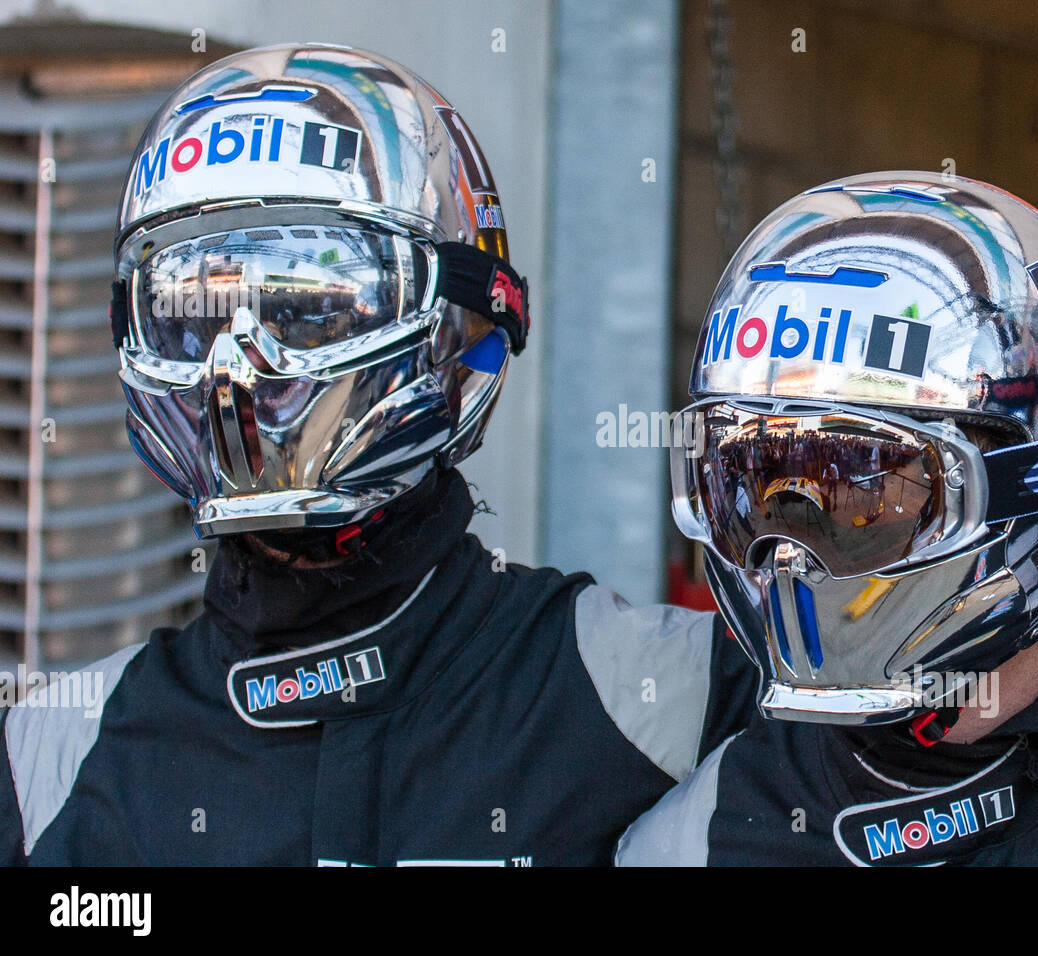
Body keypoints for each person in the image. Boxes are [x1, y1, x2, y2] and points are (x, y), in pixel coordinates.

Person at [0, 43, 755, 866]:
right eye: (192, 310)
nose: (239, 363)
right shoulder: (45, 751)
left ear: (460, 320)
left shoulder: (663, 694)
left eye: (311, 307)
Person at [618, 171, 1038, 866]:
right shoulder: (697, 836)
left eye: (865, 489)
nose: (791, 551)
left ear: (1034, 486)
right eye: (753, 485)